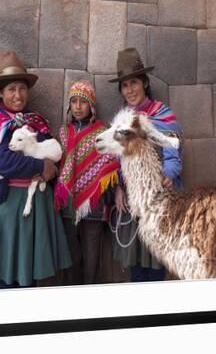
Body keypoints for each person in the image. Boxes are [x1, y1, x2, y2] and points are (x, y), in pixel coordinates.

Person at [0, 51, 72, 288]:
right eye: (11, 89)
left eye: (21, 88)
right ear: (1, 93)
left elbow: (52, 151)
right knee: (6, 273)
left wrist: (52, 167)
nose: (17, 95)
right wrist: (41, 165)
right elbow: (2, 162)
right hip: (7, 206)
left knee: (30, 272)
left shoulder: (36, 122)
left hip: (35, 206)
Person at [108, 47, 183, 282]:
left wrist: (167, 175)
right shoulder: (123, 120)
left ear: (145, 83)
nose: (129, 90)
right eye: (125, 85)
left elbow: (173, 153)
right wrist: (119, 185)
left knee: (156, 263)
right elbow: (118, 160)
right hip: (134, 203)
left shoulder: (162, 114)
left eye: (134, 83)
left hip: (159, 200)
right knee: (138, 264)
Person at [54, 80, 121, 285]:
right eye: (73, 101)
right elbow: (59, 164)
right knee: (71, 259)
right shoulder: (64, 133)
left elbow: (112, 165)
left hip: (94, 205)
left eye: (82, 101)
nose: (77, 106)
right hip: (67, 207)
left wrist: (115, 189)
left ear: (91, 105)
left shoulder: (103, 133)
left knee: (92, 259)